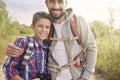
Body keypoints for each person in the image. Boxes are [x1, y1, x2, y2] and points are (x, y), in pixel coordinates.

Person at [6, 0, 97, 80]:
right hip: (51, 77)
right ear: (46, 3)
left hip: (76, 76)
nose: (56, 6)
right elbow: (35, 40)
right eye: (52, 1)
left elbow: (91, 47)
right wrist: (15, 43)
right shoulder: (46, 23)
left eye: (60, 1)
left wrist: (86, 76)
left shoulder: (78, 21)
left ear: (66, 3)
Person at [2, 12, 52, 80]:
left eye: (47, 27)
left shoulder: (49, 47)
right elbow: (8, 68)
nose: (44, 30)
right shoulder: (24, 42)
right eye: (40, 26)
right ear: (33, 27)